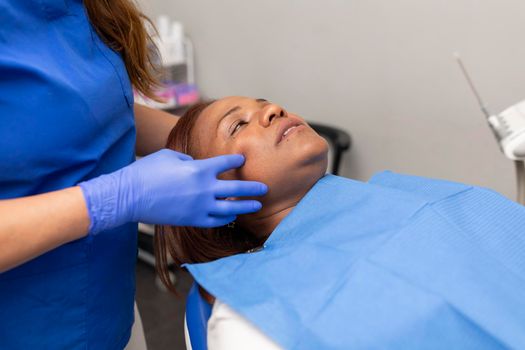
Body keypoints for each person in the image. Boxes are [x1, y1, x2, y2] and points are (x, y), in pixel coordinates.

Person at [155, 96, 525, 349]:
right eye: (237, 126)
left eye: (264, 102)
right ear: (216, 192)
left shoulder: (403, 195)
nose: (272, 110)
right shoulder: (254, 316)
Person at [0, 2, 267, 349]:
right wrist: (113, 199)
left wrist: (212, 143)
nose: (272, 113)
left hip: (109, 310)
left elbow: (77, 114)